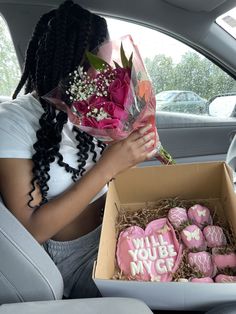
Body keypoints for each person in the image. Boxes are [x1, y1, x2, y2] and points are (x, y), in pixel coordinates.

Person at [0, 0, 157, 299]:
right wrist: (108, 167)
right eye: (99, 64)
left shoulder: (91, 110)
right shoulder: (12, 122)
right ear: (69, 64)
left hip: (119, 229)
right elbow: (33, 230)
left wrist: (132, 153)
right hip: (76, 259)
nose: (107, 75)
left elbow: (108, 176)